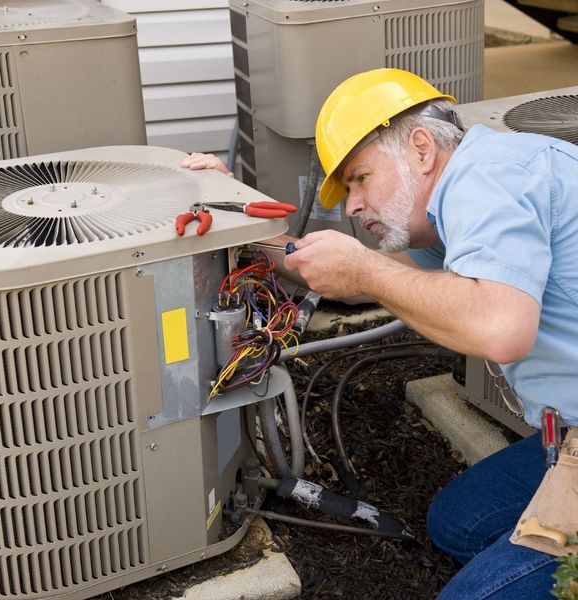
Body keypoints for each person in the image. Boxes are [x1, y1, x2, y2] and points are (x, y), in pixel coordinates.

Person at [182, 68, 578, 599]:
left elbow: (500, 328)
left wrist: (368, 271)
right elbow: (357, 279)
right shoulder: (454, 202)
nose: (351, 206)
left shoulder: (491, 177)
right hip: (565, 429)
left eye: (360, 178)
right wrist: (237, 217)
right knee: (458, 524)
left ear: (420, 147)